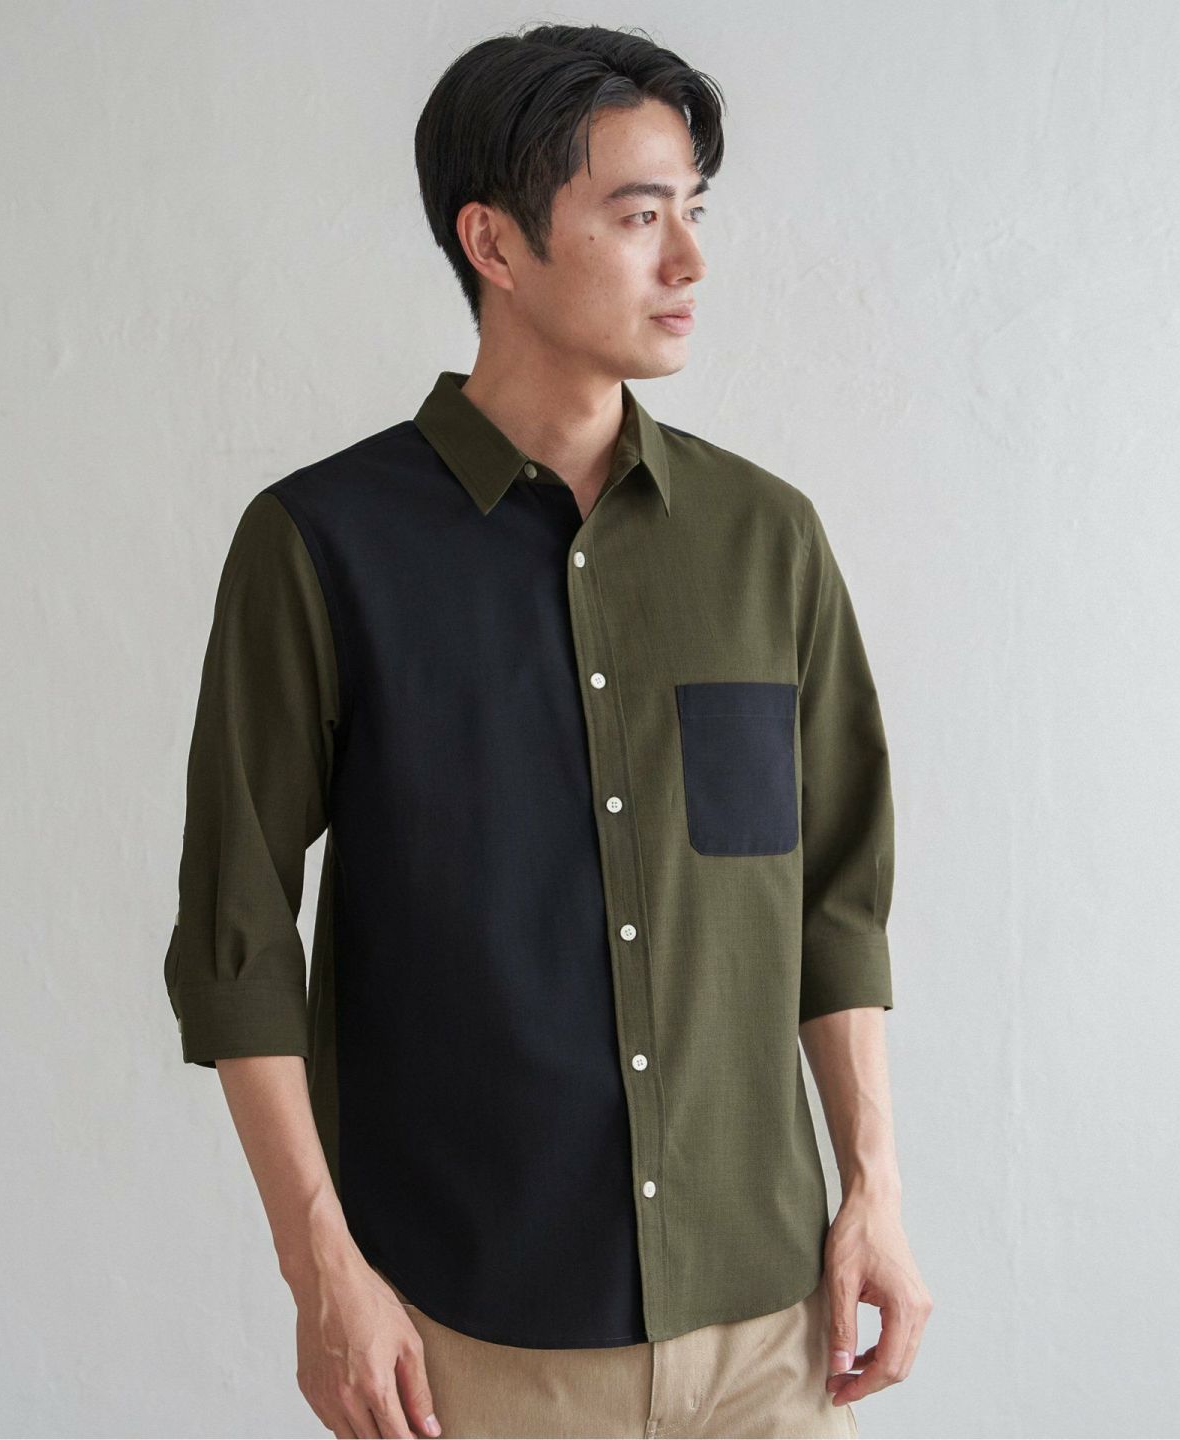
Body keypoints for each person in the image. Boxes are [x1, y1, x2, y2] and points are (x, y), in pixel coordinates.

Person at [163, 22, 931, 1440]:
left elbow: (832, 901)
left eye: (694, 212)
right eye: (639, 217)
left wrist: (874, 1188)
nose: (688, 261)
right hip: (472, 1340)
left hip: (770, 1329)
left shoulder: (765, 540)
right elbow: (238, 938)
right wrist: (320, 1268)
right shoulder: (323, 545)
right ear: (495, 243)